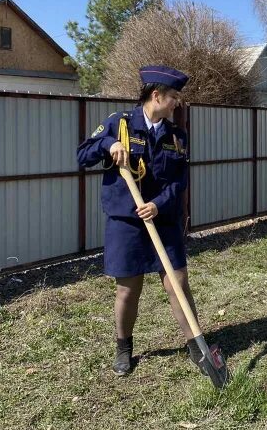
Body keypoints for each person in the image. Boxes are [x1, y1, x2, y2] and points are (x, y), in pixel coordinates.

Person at [76, 65, 205, 377]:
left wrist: (158, 205)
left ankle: (197, 349)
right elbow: (83, 155)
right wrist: (109, 144)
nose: (178, 103)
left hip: (162, 219)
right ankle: (123, 347)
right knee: (128, 289)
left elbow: (179, 181)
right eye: (174, 97)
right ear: (156, 95)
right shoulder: (118, 124)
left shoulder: (176, 135)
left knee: (178, 283)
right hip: (126, 222)